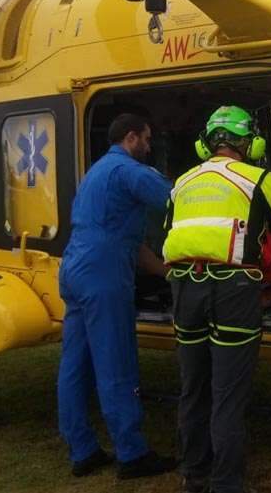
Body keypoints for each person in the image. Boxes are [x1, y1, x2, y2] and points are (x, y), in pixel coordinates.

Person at [162, 106, 271, 493]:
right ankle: (226, 484)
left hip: (184, 288)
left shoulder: (182, 182)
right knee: (227, 393)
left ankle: (193, 474)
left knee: (193, 387)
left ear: (205, 144)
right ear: (251, 142)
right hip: (233, 290)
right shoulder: (259, 179)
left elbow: (167, 232)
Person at [57, 113, 177, 479]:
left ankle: (82, 450)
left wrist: (168, 272)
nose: (150, 145)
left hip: (76, 267)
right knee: (116, 361)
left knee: (74, 364)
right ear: (131, 138)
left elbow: (133, 245)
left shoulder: (96, 174)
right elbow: (179, 198)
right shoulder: (130, 172)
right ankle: (131, 453)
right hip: (103, 273)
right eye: (147, 138)